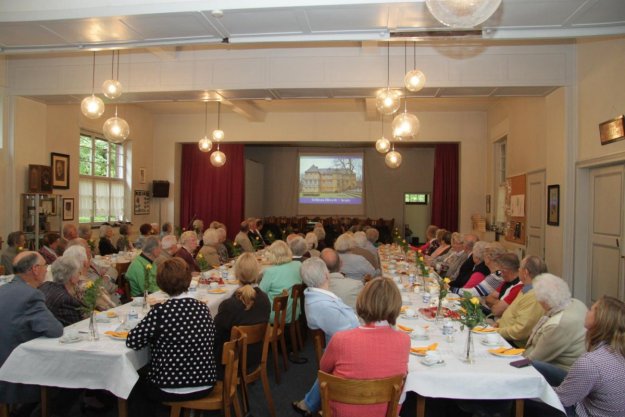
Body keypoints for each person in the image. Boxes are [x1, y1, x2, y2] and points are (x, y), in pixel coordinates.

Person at [127, 257, 217, 417]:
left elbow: (133, 341)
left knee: (134, 383)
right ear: (188, 279)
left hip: (169, 386)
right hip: (206, 381)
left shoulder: (160, 312)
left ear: (161, 284)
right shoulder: (203, 308)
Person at [319, 277, 410, 417]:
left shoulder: (341, 339)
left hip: (342, 412)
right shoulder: (404, 340)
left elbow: (324, 370)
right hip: (384, 412)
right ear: (396, 305)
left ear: (362, 301)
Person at [292, 257, 360, 417]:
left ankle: (308, 403)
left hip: (337, 344)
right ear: (326, 274)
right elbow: (352, 331)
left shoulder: (315, 295)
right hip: (347, 349)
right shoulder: (321, 304)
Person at [0, 252, 63, 407]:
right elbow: (55, 330)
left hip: (4, 362)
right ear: (35, 269)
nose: (46, 270)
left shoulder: (3, 290)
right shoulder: (30, 295)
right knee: (68, 377)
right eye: (44, 266)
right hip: (18, 372)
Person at [551, 296, 625, 417]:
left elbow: (562, 399)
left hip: (582, 410)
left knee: (524, 398)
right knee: (537, 367)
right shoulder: (616, 350)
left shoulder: (590, 362)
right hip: (589, 398)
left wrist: (535, 388)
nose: (587, 312)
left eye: (591, 309)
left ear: (600, 320)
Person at [525, 273, 587, 387]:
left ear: (544, 302)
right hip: (579, 369)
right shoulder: (576, 303)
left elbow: (535, 359)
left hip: (566, 375)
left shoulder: (557, 324)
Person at [213, 253, 270, 364]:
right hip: (256, 354)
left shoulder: (229, 305)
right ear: (257, 273)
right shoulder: (265, 299)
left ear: (236, 274)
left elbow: (215, 334)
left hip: (232, 359)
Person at [495, 255, 547, 347]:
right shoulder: (527, 288)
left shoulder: (535, 295)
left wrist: (496, 331)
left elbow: (520, 331)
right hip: (505, 336)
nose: (518, 270)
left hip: (513, 344)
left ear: (525, 272)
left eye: (520, 268)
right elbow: (513, 313)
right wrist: (498, 323)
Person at [259, 240, 302, 324]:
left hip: (275, 316)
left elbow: (260, 293)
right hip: (293, 312)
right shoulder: (298, 265)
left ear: (273, 255)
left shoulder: (270, 272)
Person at [38, 256, 85, 326]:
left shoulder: (44, 286)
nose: (79, 276)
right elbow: (77, 326)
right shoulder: (66, 300)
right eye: (79, 273)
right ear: (72, 278)